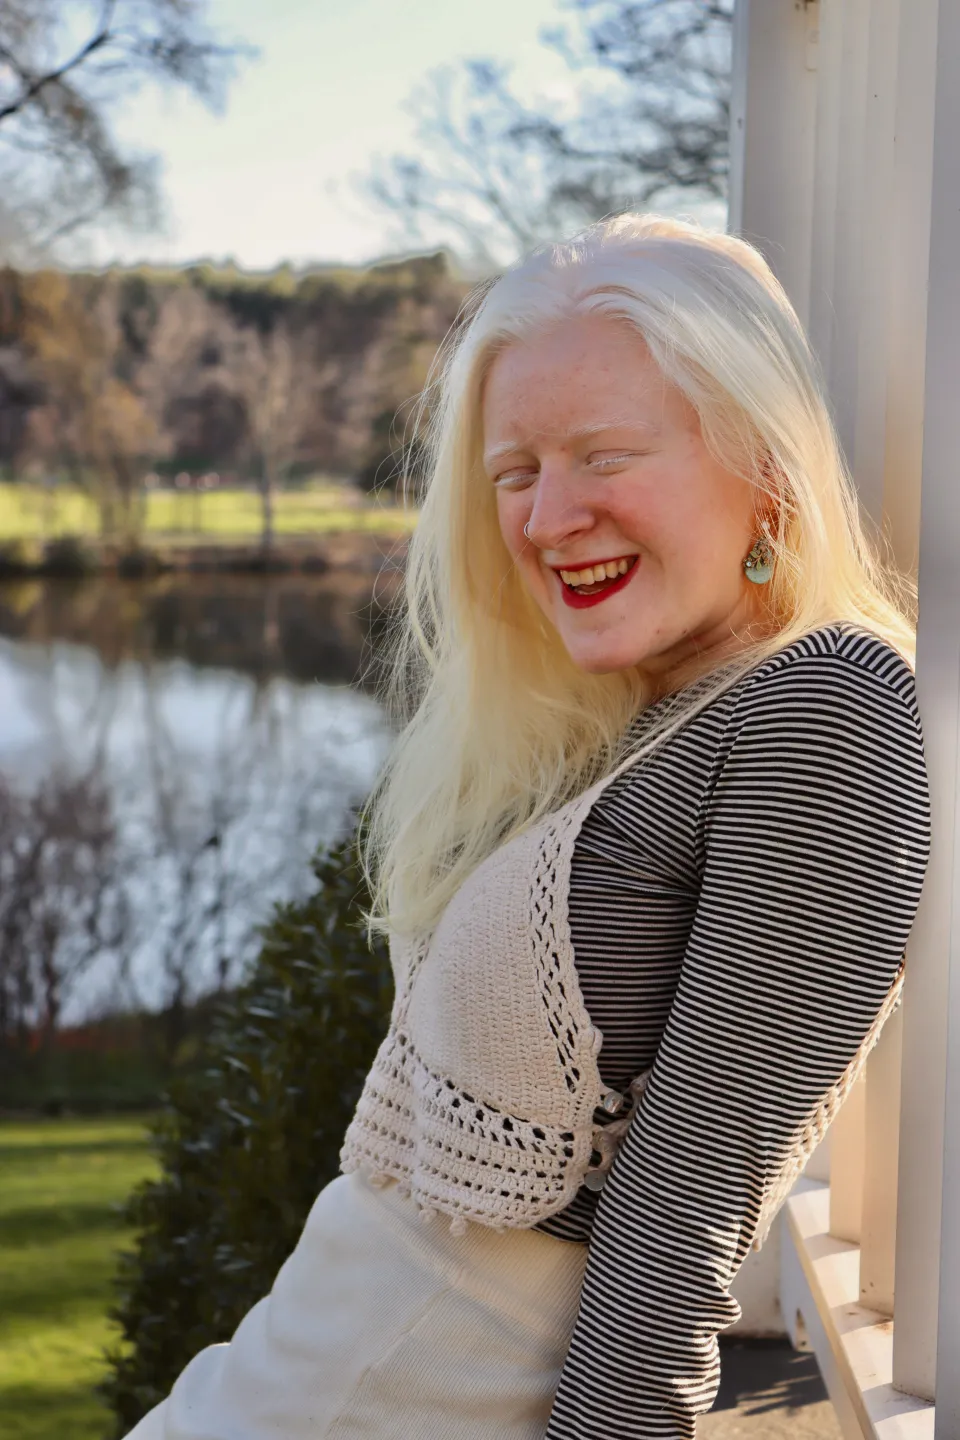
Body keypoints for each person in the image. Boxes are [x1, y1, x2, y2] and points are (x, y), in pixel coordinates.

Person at [124, 214, 932, 1440]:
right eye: (516, 473)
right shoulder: (638, 718)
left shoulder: (822, 707)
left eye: (605, 456)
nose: (550, 519)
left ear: (766, 460)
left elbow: (686, 1206)